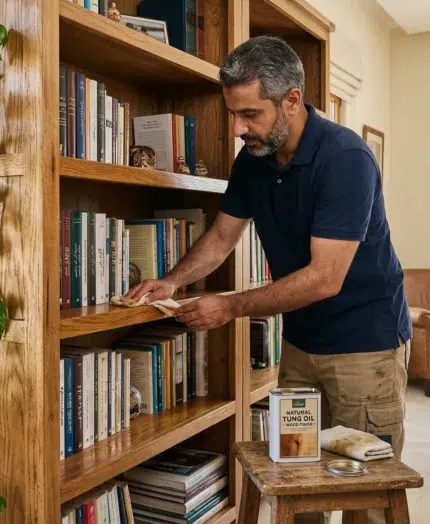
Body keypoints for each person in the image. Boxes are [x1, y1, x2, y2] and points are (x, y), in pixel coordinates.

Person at [122, 36, 411, 524]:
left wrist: (230, 306)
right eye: (233, 114)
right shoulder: (252, 160)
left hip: (366, 345)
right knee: (295, 480)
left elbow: (324, 278)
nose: (238, 129)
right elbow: (220, 237)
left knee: (364, 495)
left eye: (250, 114)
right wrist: (172, 281)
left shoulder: (346, 159)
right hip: (300, 344)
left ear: (292, 100)